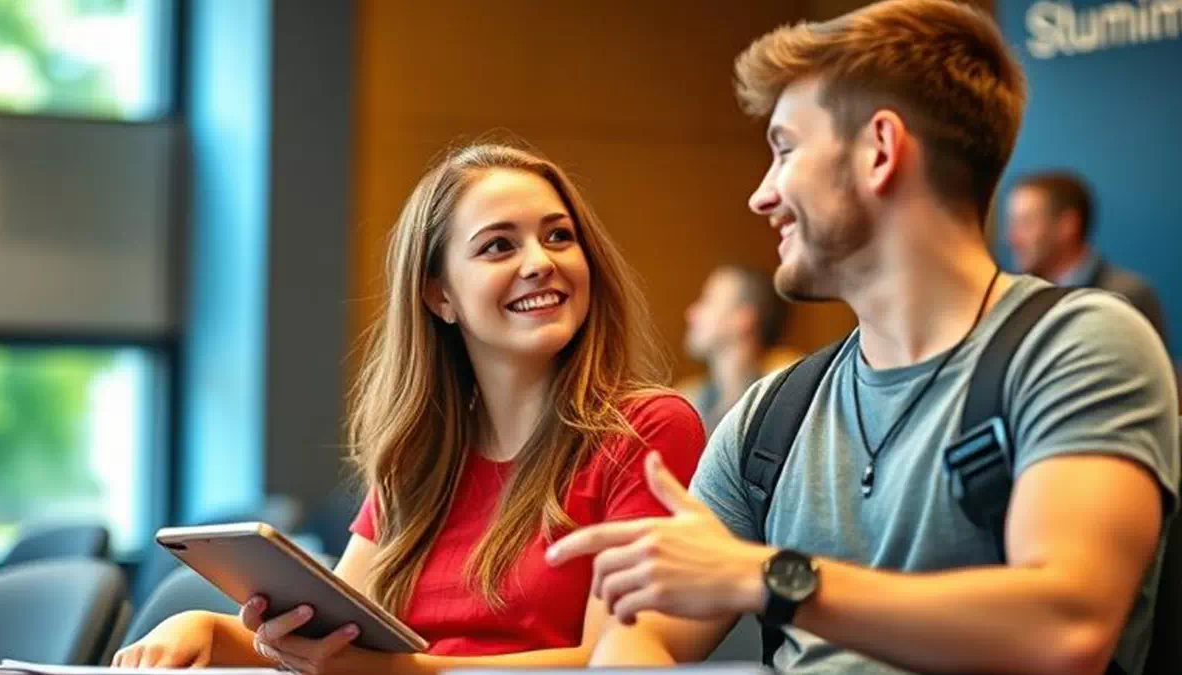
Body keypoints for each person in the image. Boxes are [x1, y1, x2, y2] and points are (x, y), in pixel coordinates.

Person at [546, 2, 1179, 674]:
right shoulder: (770, 418)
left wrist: (773, 578)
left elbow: (1066, 627)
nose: (762, 195)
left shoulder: (1077, 346)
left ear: (880, 150)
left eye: (785, 148)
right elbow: (638, 632)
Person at [114, 144, 705, 673]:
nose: (540, 262)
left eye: (559, 236)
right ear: (439, 294)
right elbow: (332, 644)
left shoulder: (648, 429)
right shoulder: (422, 457)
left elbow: (611, 664)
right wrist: (209, 629)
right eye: (499, 245)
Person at [1006, 170, 1169, 347]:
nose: (1012, 238)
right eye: (1013, 222)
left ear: (1067, 225)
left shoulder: (1126, 296)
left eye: (1026, 223)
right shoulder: (1019, 298)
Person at [679, 265, 799, 434]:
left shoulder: (790, 395)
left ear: (743, 318)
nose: (691, 313)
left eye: (707, 300)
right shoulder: (688, 401)